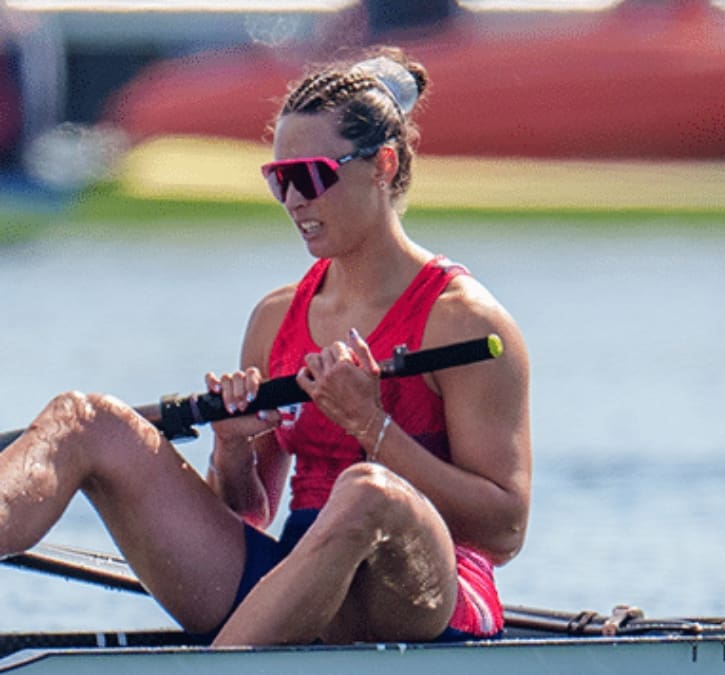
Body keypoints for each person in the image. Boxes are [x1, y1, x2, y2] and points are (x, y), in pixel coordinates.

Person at [0, 46, 531, 646]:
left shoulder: (462, 321)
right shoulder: (277, 316)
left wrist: (373, 428)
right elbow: (246, 515)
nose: (294, 201)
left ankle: (225, 664)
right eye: (279, 180)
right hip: (294, 584)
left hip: (424, 596)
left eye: (310, 177)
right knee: (83, 418)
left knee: (367, 491)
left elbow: (505, 530)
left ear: (383, 165)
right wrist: (234, 451)